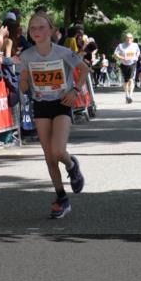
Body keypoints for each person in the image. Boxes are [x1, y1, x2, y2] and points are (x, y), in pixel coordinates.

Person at [18, 12, 89, 219]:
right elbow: (23, 81)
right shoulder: (26, 56)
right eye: (33, 28)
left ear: (51, 30)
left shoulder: (63, 52)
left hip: (61, 104)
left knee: (58, 151)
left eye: (41, 28)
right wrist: (23, 84)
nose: (37, 32)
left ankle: (71, 165)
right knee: (49, 157)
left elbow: (84, 70)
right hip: (41, 105)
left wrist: (75, 90)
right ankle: (61, 199)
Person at [113, 32, 141, 103]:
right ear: (125, 38)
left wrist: (137, 56)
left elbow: (138, 52)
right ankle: (126, 95)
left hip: (132, 63)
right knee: (126, 81)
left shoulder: (135, 45)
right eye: (127, 38)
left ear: (132, 39)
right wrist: (122, 57)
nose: (129, 39)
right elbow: (115, 54)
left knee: (131, 79)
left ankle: (130, 96)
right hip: (124, 64)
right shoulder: (121, 45)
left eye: (130, 38)